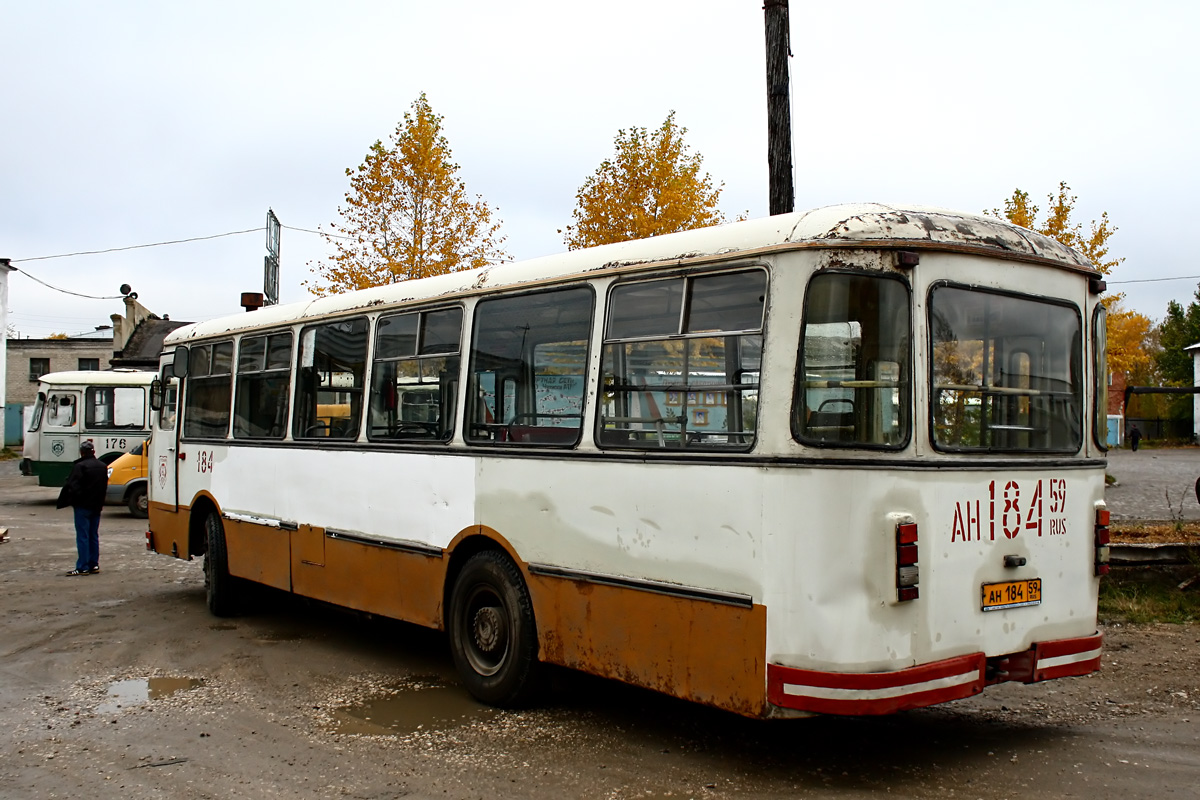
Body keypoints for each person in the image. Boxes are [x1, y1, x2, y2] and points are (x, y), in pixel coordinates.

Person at [57, 440, 108, 576]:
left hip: (83, 506)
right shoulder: (102, 466)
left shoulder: (80, 466)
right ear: (93, 452)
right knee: (93, 535)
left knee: (82, 536)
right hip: (97, 506)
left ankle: (82, 567)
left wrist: (73, 500)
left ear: (82, 452)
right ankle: (94, 564)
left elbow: (72, 486)